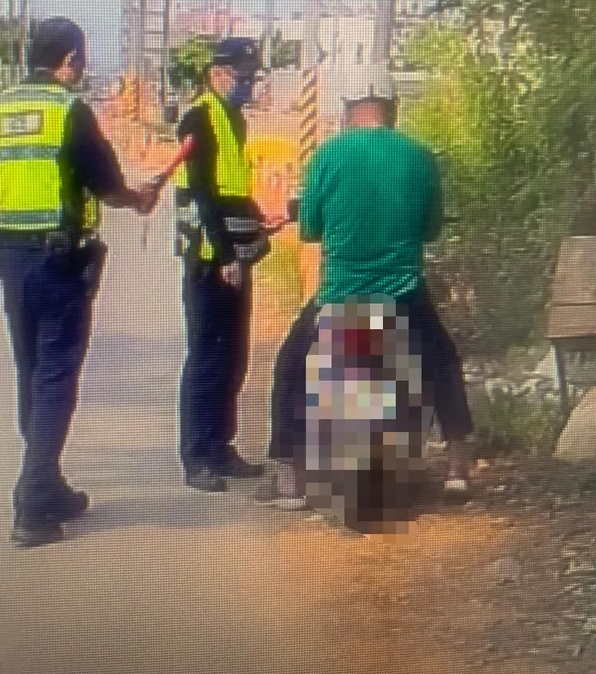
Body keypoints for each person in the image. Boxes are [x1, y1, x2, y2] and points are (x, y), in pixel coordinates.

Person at [0, 17, 157, 548]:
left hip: (12, 263)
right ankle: (34, 502)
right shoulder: (69, 112)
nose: (82, 70)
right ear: (70, 61)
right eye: (81, 60)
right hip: (60, 264)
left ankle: (50, 482)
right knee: (56, 378)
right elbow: (108, 189)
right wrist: (140, 198)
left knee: (32, 373)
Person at [256, 65, 474, 510]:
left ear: (349, 108)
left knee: (290, 369)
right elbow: (431, 229)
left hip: (341, 294)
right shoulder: (418, 156)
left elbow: (311, 230)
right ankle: (457, 465)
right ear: (392, 109)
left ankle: (287, 474)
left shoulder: (328, 156)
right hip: (404, 292)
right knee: (442, 362)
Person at [173, 37, 271, 492]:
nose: (249, 85)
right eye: (243, 76)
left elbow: (231, 187)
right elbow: (201, 193)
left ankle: (221, 447)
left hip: (234, 255)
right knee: (207, 358)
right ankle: (197, 456)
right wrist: (226, 255)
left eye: (253, 77)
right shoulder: (200, 117)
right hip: (211, 260)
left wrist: (255, 218)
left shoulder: (234, 119)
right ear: (217, 74)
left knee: (234, 357)